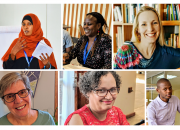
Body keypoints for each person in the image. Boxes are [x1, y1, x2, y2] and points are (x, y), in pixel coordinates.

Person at [114, 6, 180, 69]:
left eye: (154, 23)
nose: (150, 29)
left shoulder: (168, 53)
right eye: (144, 24)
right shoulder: (125, 52)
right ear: (137, 29)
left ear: (159, 26)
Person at [64, 71, 129, 125]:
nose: (109, 97)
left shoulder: (117, 112)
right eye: (101, 90)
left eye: (113, 89)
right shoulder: (77, 120)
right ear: (87, 91)